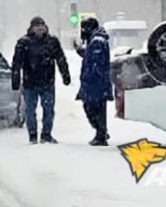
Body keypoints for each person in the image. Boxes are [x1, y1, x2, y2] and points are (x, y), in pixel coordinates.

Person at [11, 16, 70, 144]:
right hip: (30, 82)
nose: (40, 28)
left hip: (47, 81)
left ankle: (46, 134)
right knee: (30, 110)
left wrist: (65, 74)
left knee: (48, 109)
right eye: (37, 26)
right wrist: (15, 79)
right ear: (31, 28)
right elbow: (17, 62)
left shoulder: (52, 41)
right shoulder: (23, 43)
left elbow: (60, 59)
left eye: (42, 25)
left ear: (45, 27)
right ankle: (32, 135)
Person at [74, 16, 113, 146]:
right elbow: (91, 56)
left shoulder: (97, 41)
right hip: (96, 82)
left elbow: (96, 61)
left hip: (95, 83)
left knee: (93, 108)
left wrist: (92, 77)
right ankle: (101, 131)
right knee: (97, 109)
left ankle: (101, 133)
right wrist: (80, 51)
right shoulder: (96, 40)